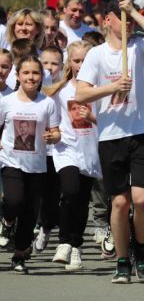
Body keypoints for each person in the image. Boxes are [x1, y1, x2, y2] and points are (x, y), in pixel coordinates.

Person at [75, 0, 144, 283]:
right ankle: (122, 259)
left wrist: (135, 12)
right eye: (121, 17)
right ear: (107, 20)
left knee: (141, 200)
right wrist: (112, 87)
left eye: (129, 18)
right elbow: (81, 93)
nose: (127, 23)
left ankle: (142, 250)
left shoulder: (139, 47)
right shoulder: (96, 54)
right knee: (119, 203)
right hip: (111, 135)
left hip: (142, 133)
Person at [0, 56, 61, 273]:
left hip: (37, 166)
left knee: (29, 212)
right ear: (18, 76)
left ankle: (19, 255)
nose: (31, 77)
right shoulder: (7, 102)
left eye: (35, 73)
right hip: (11, 162)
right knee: (14, 200)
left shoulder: (48, 103)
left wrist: (53, 137)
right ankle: (6, 222)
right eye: (26, 73)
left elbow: (55, 131)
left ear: (41, 77)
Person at [45, 41, 101, 271]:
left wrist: (91, 116)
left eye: (85, 61)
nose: (81, 65)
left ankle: (76, 247)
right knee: (69, 191)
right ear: (70, 62)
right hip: (66, 149)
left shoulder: (100, 90)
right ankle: (64, 243)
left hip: (90, 150)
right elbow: (54, 122)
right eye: (77, 61)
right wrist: (54, 135)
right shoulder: (61, 91)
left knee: (81, 199)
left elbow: (110, 121)